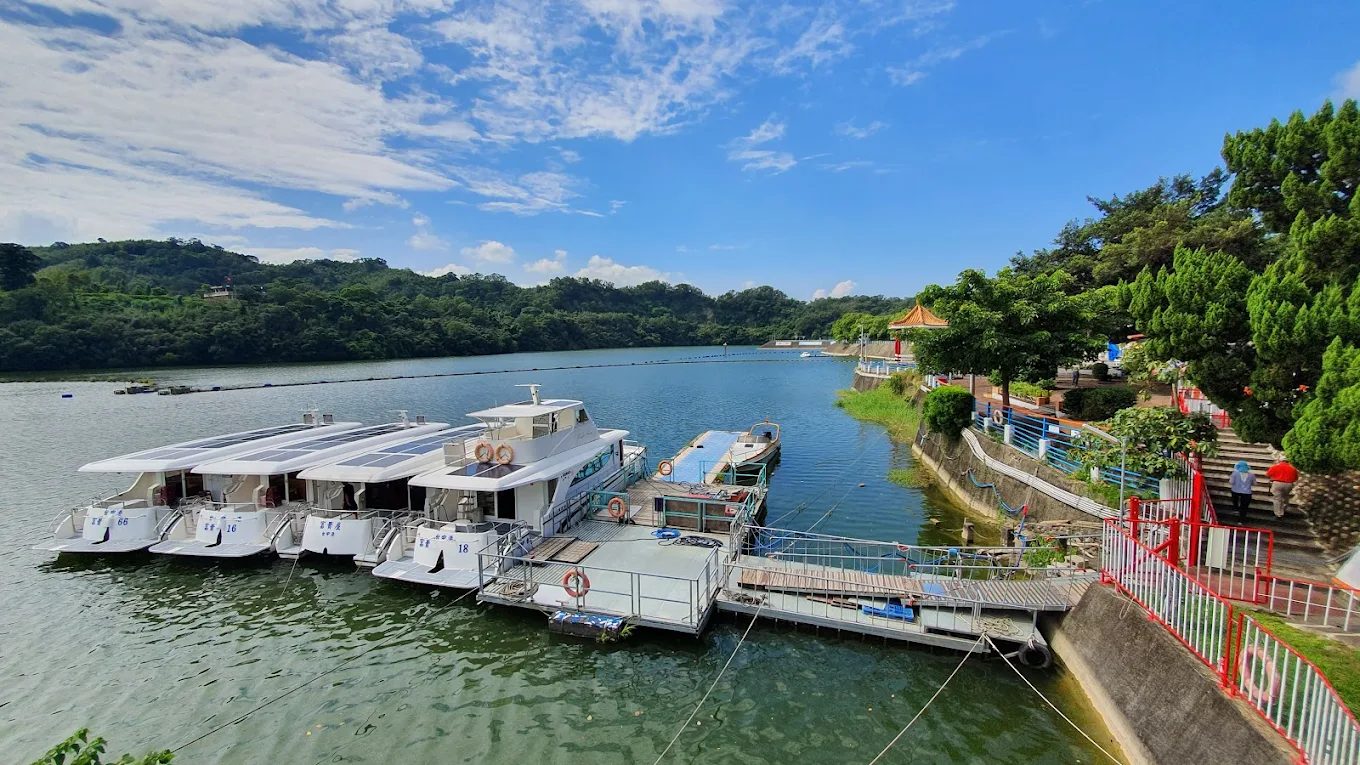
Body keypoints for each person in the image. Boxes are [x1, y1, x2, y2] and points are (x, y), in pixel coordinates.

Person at [1265, 454, 1299, 519]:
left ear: (1280, 460)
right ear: (1288, 461)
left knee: (1277, 499)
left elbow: (1267, 474)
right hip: (1288, 484)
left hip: (1277, 483)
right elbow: (1295, 478)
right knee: (1285, 497)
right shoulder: (1293, 468)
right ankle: (1283, 509)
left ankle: (1279, 514)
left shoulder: (1275, 466)